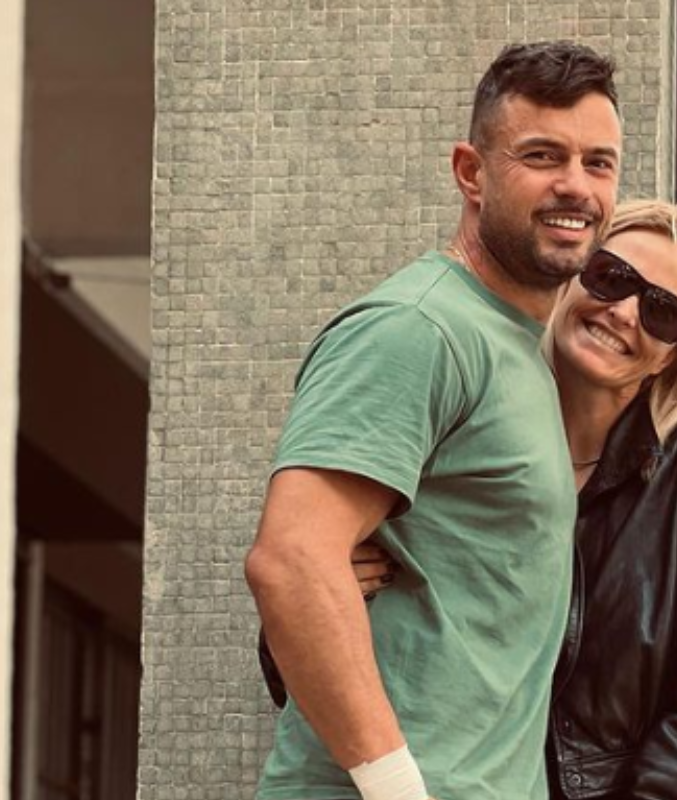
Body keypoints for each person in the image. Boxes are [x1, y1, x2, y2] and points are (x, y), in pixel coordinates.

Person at [244, 41, 622, 800]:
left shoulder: (515, 347)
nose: (575, 185)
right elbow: (292, 561)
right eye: (542, 155)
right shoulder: (419, 328)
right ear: (471, 172)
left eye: (599, 163)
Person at [341, 199, 677, 799]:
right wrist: (332, 586)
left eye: (662, 311)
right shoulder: (461, 418)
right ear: (572, 274)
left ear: (675, 353)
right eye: (612, 276)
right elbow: (309, 634)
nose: (624, 311)